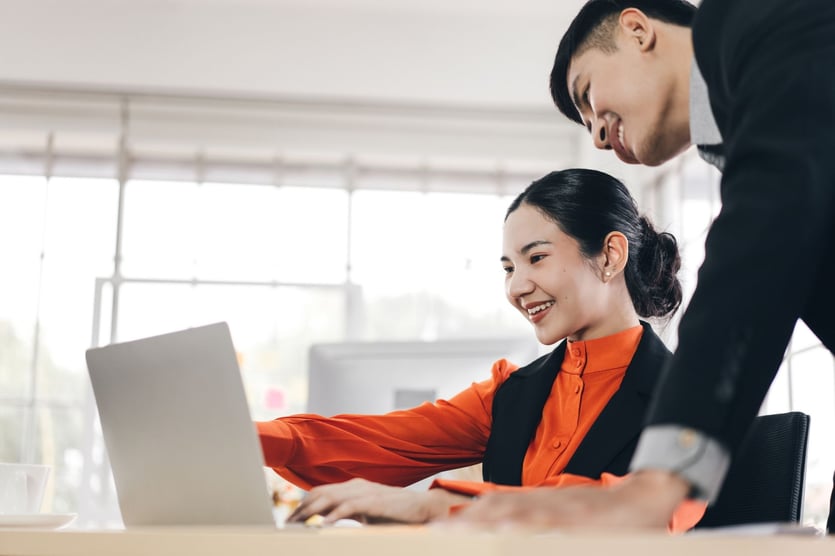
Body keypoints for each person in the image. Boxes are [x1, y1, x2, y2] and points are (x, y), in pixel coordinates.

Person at [452, 0, 835, 530]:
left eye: (588, 93)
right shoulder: (749, 129)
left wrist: (656, 484)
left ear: (636, 31)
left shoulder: (757, 22)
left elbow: (753, 256)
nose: (597, 137)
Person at [257, 168, 702, 529]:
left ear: (609, 255)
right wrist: (249, 438)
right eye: (509, 267)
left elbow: (642, 512)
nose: (517, 286)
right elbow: (382, 441)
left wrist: (439, 508)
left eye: (537, 257)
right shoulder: (511, 392)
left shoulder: (691, 399)